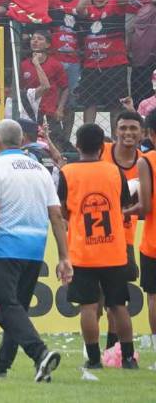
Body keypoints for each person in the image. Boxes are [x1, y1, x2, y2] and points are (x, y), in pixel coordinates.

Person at [0, 119, 70, 381]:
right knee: (17, 309)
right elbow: (56, 215)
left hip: (7, 246)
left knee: (6, 305)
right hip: (35, 247)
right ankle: (0, 366)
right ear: (22, 140)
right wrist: (63, 257)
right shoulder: (40, 169)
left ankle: (40, 353)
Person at [57, 123, 145, 370]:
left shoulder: (67, 172)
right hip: (114, 251)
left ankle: (94, 359)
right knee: (118, 306)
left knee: (88, 306)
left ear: (77, 145)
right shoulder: (114, 171)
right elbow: (123, 205)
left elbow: (63, 211)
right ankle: (128, 358)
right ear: (101, 146)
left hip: (82, 252)